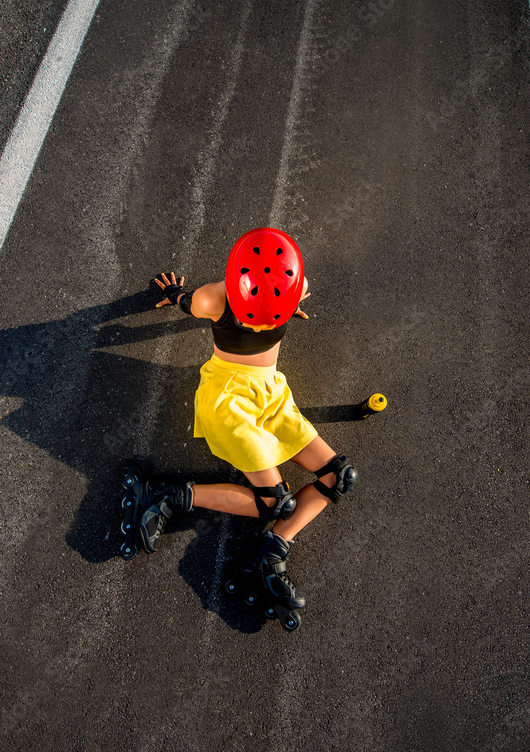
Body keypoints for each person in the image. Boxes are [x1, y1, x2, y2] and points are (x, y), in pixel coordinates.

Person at [120, 228, 357, 627]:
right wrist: (178, 293)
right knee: (272, 502)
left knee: (338, 476)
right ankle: (170, 498)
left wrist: (277, 306)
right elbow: (188, 303)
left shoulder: (291, 289)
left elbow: (189, 303)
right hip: (227, 400)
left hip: (270, 394)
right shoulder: (215, 298)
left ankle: (274, 548)